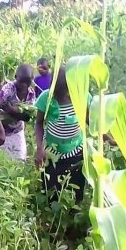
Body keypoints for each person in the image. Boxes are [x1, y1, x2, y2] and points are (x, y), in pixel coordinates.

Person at [35, 66, 89, 205]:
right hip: (52, 154)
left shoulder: (81, 97)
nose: (57, 97)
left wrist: (107, 139)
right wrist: (39, 148)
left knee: (77, 193)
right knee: (51, 192)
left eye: (61, 94)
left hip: (76, 152)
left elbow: (90, 121)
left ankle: (73, 219)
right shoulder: (46, 97)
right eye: (55, 93)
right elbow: (39, 123)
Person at [0, 64, 36, 160]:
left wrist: (10, 110)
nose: (24, 85)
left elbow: (27, 117)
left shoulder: (31, 94)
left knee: (19, 161)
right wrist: (0, 131)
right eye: (21, 82)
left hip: (17, 131)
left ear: (32, 80)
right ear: (15, 77)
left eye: (27, 82)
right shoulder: (9, 88)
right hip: (1, 130)